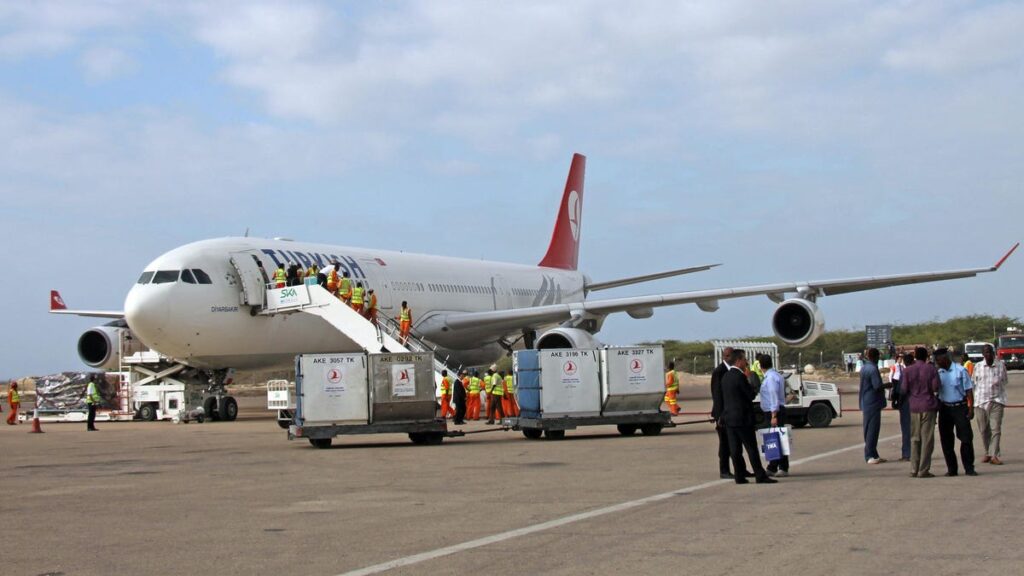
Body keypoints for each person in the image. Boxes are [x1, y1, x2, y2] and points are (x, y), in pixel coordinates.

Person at [721, 349, 775, 484]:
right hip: (743, 418)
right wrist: (751, 382)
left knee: (735, 450)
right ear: (738, 361)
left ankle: (739, 476)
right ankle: (760, 475)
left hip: (730, 418)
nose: (746, 362)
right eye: (744, 360)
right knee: (751, 448)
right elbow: (750, 395)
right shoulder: (740, 377)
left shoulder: (726, 376)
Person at [934, 348, 977, 476]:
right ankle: (952, 469)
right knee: (946, 440)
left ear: (945, 358)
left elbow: (968, 390)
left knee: (966, 438)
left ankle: (969, 467)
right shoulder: (938, 373)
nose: (937, 362)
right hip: (945, 408)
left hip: (960, 407)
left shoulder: (960, 370)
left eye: (938, 359)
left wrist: (971, 408)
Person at [901, 347, 941, 478]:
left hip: (914, 406)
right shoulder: (931, 369)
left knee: (914, 438)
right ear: (926, 357)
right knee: (927, 439)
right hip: (928, 405)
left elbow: (904, 389)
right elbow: (935, 387)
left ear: (915, 357)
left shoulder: (907, 370)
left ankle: (914, 468)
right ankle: (923, 470)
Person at [973, 344, 1007, 465]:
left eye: (990, 352)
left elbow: (1004, 381)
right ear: (983, 354)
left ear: (993, 353)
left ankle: (994, 455)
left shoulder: (1000, 366)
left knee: (996, 429)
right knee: (984, 430)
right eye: (985, 352)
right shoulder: (977, 366)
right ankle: (988, 452)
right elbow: (974, 383)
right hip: (980, 402)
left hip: (996, 401)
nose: (988, 354)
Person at [758, 355, 789, 477]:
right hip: (775, 410)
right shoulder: (775, 375)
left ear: (760, 366)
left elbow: (773, 396)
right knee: (778, 439)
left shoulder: (770, 378)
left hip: (773, 412)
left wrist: (773, 415)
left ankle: (774, 467)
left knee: (774, 440)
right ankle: (780, 466)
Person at [859, 348, 887, 464]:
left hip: (866, 401)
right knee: (872, 429)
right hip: (873, 402)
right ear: (875, 357)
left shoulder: (864, 367)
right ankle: (870, 455)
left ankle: (873, 453)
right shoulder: (873, 369)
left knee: (868, 428)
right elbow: (877, 386)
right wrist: (887, 385)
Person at [710, 347, 734, 479]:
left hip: (729, 413)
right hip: (722, 415)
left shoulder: (731, 370)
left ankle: (738, 468)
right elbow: (717, 395)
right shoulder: (719, 372)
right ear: (726, 357)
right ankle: (724, 470)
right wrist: (719, 416)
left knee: (732, 444)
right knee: (724, 444)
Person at [891, 353, 915, 462]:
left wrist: (897, 402)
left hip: (906, 404)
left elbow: (902, 390)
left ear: (905, 361)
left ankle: (907, 453)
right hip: (919, 404)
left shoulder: (905, 373)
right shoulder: (920, 371)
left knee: (906, 430)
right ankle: (918, 452)